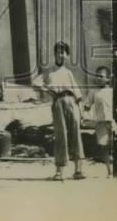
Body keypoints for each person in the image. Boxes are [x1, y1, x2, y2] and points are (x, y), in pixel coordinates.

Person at [33, 41, 85, 181]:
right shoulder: (49, 71)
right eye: (58, 52)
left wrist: (81, 110)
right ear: (55, 54)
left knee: (75, 134)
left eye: (63, 52)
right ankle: (59, 172)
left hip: (72, 102)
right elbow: (35, 83)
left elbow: (77, 93)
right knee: (60, 136)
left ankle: (78, 170)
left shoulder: (68, 73)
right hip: (58, 102)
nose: (60, 54)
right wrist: (48, 91)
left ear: (67, 55)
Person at [84, 65, 114, 177]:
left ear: (108, 78)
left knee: (115, 145)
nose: (98, 78)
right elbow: (87, 105)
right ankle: (109, 171)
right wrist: (85, 117)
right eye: (97, 76)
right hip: (101, 123)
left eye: (101, 76)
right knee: (104, 147)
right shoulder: (93, 91)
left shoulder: (112, 91)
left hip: (113, 122)